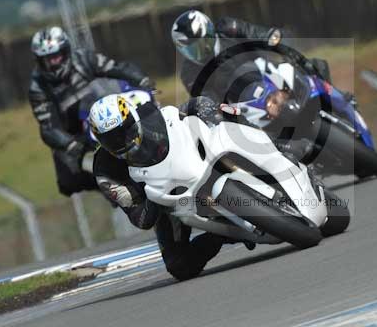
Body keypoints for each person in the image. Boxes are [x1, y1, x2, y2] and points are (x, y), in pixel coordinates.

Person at [89, 94, 254, 281]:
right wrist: (153, 195)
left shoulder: (149, 112)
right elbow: (141, 219)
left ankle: (271, 145)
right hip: (165, 200)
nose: (122, 140)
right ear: (100, 140)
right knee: (179, 265)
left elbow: (181, 112)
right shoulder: (105, 172)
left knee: (218, 110)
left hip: (190, 160)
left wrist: (207, 111)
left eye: (126, 130)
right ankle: (227, 233)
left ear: (133, 117)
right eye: (112, 138)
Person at [28, 26, 154, 197]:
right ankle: (122, 196)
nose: (54, 63)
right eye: (48, 59)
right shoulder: (38, 87)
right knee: (77, 178)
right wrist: (70, 144)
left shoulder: (85, 59)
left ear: (66, 51)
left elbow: (116, 68)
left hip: (110, 114)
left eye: (56, 56)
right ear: (39, 61)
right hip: (79, 135)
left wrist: (141, 79)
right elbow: (48, 126)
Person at [170, 10, 332, 104]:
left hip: (269, 75)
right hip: (245, 105)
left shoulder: (229, 29)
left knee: (317, 66)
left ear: (210, 33)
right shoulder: (189, 73)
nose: (199, 52)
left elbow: (261, 35)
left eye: (201, 44)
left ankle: (345, 104)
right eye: (191, 50)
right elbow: (206, 100)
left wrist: (281, 44)